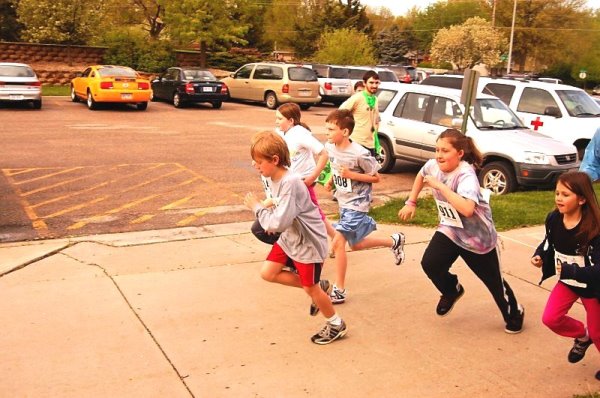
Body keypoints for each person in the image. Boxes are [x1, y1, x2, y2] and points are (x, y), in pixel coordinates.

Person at [398, 128, 524, 333]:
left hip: (477, 237)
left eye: (445, 151)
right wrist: (411, 202)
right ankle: (451, 290)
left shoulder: (466, 175)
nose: (439, 155)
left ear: (460, 153)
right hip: (451, 229)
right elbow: (422, 175)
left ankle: (514, 313)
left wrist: (441, 187)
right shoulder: (433, 165)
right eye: (437, 149)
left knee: (493, 283)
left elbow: (467, 209)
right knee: (430, 263)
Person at [244, 131, 347, 345]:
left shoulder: (290, 183)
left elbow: (278, 224)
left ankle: (336, 324)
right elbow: (281, 210)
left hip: (307, 244)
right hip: (291, 239)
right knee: (268, 273)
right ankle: (321, 287)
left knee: (311, 289)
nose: (255, 165)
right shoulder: (274, 178)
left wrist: (256, 207)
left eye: (259, 161)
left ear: (275, 160)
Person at [324, 109, 405, 304]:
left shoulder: (360, 153)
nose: (327, 133)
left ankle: (339, 289)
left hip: (358, 204)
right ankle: (394, 241)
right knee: (356, 245)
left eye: (331, 129)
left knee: (337, 243)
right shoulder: (330, 147)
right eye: (326, 129)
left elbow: (376, 177)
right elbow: (337, 170)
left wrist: (352, 176)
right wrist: (332, 181)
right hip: (343, 201)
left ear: (344, 132)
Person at [531, 171, 600, 381]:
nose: (559, 198)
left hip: (592, 288)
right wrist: (540, 254)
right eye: (557, 193)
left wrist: (571, 270)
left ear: (581, 199)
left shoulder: (595, 229)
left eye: (565, 194)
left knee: (599, 333)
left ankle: (592, 336)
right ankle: (582, 336)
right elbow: (548, 243)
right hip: (568, 282)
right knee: (551, 318)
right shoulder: (553, 219)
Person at [251, 103, 335, 244]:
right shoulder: (279, 133)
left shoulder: (300, 134)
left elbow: (324, 153)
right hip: (288, 182)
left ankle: (333, 238)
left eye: (280, 119)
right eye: (276, 118)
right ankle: (331, 238)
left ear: (291, 121)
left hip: (302, 181)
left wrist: (312, 177)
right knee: (307, 214)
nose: (276, 121)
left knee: (312, 213)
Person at [339, 70, 380, 158]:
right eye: (371, 82)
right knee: (355, 171)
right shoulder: (358, 98)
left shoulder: (375, 99)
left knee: (370, 171)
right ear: (364, 83)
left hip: (371, 144)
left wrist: (376, 141)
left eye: (377, 83)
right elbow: (340, 113)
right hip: (357, 142)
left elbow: (376, 120)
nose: (374, 85)